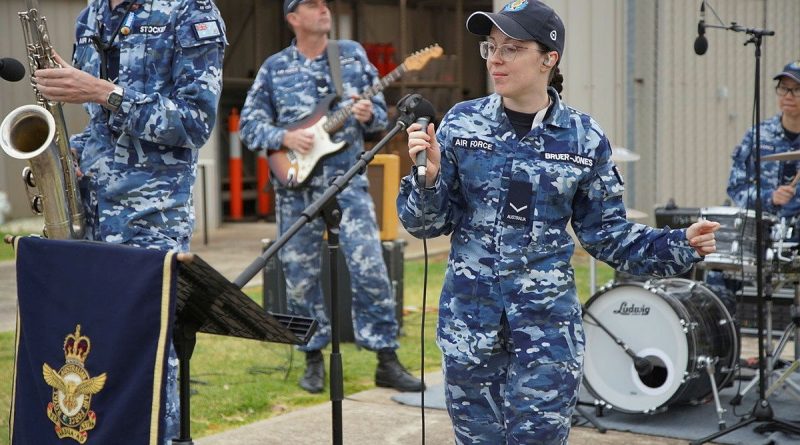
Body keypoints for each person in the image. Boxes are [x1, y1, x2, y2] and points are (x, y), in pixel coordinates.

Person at [396, 1, 720, 443]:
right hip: (470, 327)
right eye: (490, 47)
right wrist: (429, 179)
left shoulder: (583, 137)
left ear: (549, 57)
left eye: (511, 48)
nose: (495, 58)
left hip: (545, 334)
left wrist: (679, 243)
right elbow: (425, 225)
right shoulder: (461, 123)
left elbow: (607, 235)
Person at [33, 0, 226, 441]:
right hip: (88, 212)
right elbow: (102, 127)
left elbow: (194, 123)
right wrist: (68, 155)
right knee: (96, 346)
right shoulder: (92, 15)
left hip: (150, 217)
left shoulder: (191, 12)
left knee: (149, 348)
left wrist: (103, 90)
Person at [238, 0, 423, 394]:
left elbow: (378, 116)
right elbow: (250, 125)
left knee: (371, 268)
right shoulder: (274, 68)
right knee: (301, 279)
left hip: (349, 183)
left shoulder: (351, 56)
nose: (323, 8)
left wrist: (367, 115)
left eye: (325, 3)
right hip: (295, 189)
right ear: (293, 18)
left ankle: (385, 358)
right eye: (312, 4)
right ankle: (312, 359)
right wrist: (284, 137)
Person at [707, 60, 800, 316]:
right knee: (717, 278)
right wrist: (770, 198)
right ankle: (726, 348)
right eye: (784, 89)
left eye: (796, 90)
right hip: (762, 236)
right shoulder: (758, 135)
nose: (788, 96)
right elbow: (736, 188)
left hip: (797, 239)